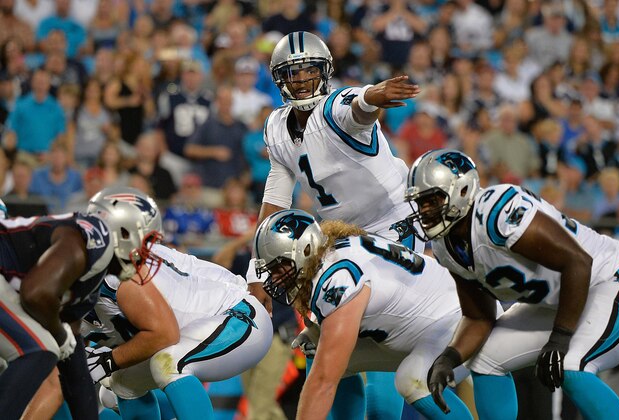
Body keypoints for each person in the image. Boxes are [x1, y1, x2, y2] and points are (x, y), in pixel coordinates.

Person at [239, 30, 424, 419]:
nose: (303, 80)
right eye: (294, 73)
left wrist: (373, 96)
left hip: (397, 228)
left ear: (324, 72)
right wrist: (257, 271)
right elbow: (276, 195)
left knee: (376, 339)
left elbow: (356, 106)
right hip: (344, 239)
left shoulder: (333, 108)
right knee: (328, 344)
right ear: (280, 80)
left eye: (309, 71)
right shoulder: (276, 125)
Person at [404, 148, 619, 419]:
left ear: (462, 190)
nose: (426, 210)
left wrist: (560, 338)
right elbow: (478, 317)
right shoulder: (445, 246)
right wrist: (449, 358)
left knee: (571, 366)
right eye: (420, 203)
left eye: (433, 199)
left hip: (608, 279)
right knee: (485, 359)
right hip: (561, 300)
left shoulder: (498, 212)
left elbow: (578, 262)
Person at [252, 209, 473, 419]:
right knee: (316, 346)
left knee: (413, 381)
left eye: (281, 266)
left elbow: (323, 381)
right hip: (426, 324)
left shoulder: (338, 278)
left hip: (460, 322)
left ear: (307, 249)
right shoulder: (330, 253)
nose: (276, 278)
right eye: (271, 271)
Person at [81, 214, 273, 420]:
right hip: (205, 320)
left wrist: (108, 361)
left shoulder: (118, 277)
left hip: (239, 316)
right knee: (122, 383)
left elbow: (163, 335)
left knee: (168, 364)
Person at [0, 185, 161, 419]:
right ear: (123, 229)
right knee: (41, 348)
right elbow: (35, 294)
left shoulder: (90, 280)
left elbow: (76, 374)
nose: (145, 253)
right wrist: (59, 333)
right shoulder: (95, 237)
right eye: (145, 242)